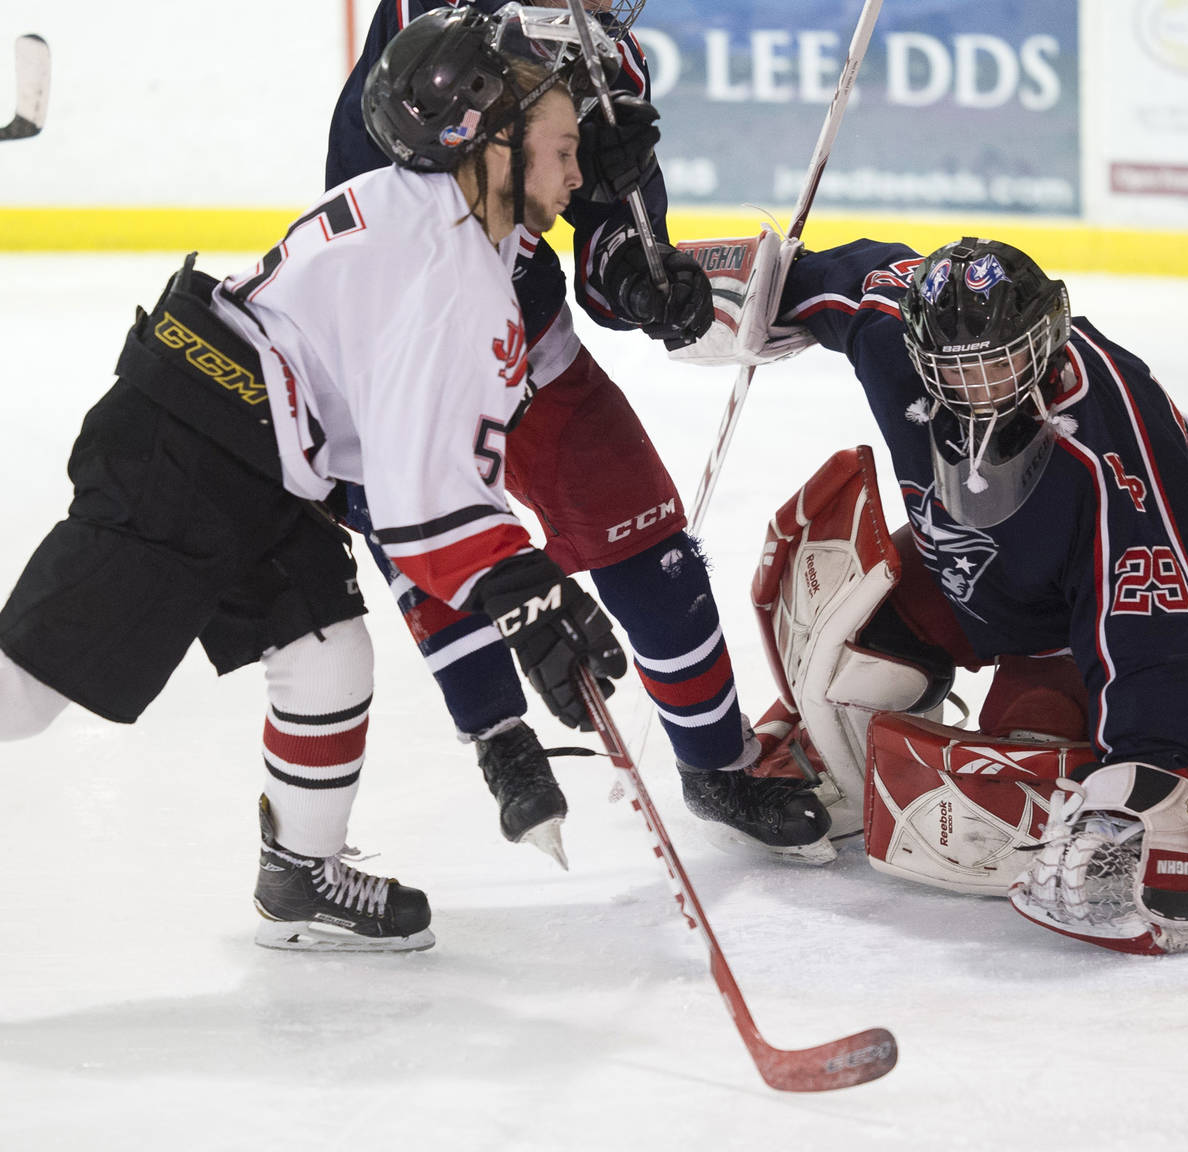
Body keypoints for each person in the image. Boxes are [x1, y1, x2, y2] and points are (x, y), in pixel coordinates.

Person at [0, 6, 629, 955]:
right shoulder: (453, 272)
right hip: (193, 455)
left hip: (240, 443)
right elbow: (419, 503)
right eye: (559, 143)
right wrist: (520, 586)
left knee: (325, 653)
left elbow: (409, 467)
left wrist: (513, 580)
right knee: (16, 691)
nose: (576, 170)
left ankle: (300, 875)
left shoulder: (420, 212)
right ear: (484, 139)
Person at [706, 234, 1188, 953]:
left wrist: (1141, 774)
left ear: (1046, 339)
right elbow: (832, 280)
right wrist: (707, 287)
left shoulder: (1113, 434)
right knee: (853, 656)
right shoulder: (896, 338)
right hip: (982, 561)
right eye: (955, 372)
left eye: (1000, 364)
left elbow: (1152, 627)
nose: (978, 388)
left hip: (1151, 588)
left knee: (1035, 784)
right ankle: (819, 751)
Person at [327, 0, 833, 866]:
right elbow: (390, 187)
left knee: (650, 542)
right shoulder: (431, 22)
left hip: (526, 337)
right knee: (437, 545)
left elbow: (604, 266)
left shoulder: (610, 64)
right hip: (393, 343)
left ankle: (717, 765)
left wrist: (643, 279)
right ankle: (502, 740)